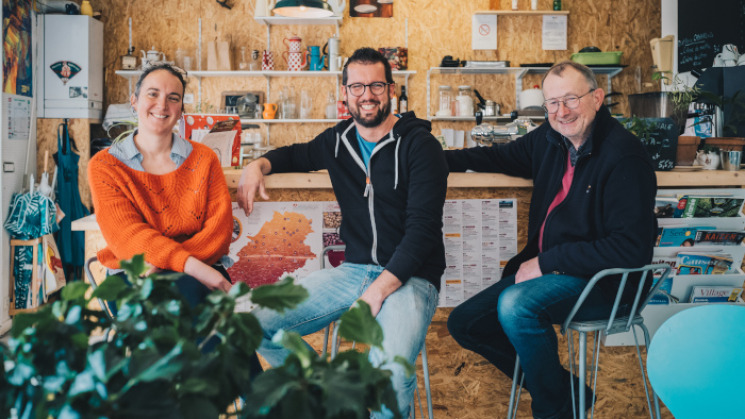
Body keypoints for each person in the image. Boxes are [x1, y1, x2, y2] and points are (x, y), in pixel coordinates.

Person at [237, 47, 448, 418]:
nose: (367, 95)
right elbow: (294, 154)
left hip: (410, 277)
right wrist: (258, 164)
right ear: (344, 93)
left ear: (391, 89)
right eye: (357, 87)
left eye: (376, 85)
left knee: (391, 373)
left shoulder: (420, 145)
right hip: (354, 271)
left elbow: (423, 231)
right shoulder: (337, 141)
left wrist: (377, 292)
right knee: (254, 324)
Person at [445, 61, 657, 419]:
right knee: (464, 322)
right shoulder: (550, 139)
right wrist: (427, 159)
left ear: (597, 98)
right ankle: (568, 396)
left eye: (571, 99)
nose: (562, 111)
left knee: (516, 306)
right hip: (555, 274)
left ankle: (551, 412)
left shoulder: (624, 156)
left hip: (606, 284)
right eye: (553, 103)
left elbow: (630, 248)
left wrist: (546, 262)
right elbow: (494, 155)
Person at [88, 63, 233, 311]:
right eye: (152, 94)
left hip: (201, 270)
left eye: (172, 98)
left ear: (181, 110)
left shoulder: (204, 158)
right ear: (134, 101)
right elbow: (127, 237)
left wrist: (164, 261)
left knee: (204, 313)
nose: (162, 105)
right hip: (136, 276)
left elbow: (218, 233)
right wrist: (193, 268)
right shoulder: (105, 165)